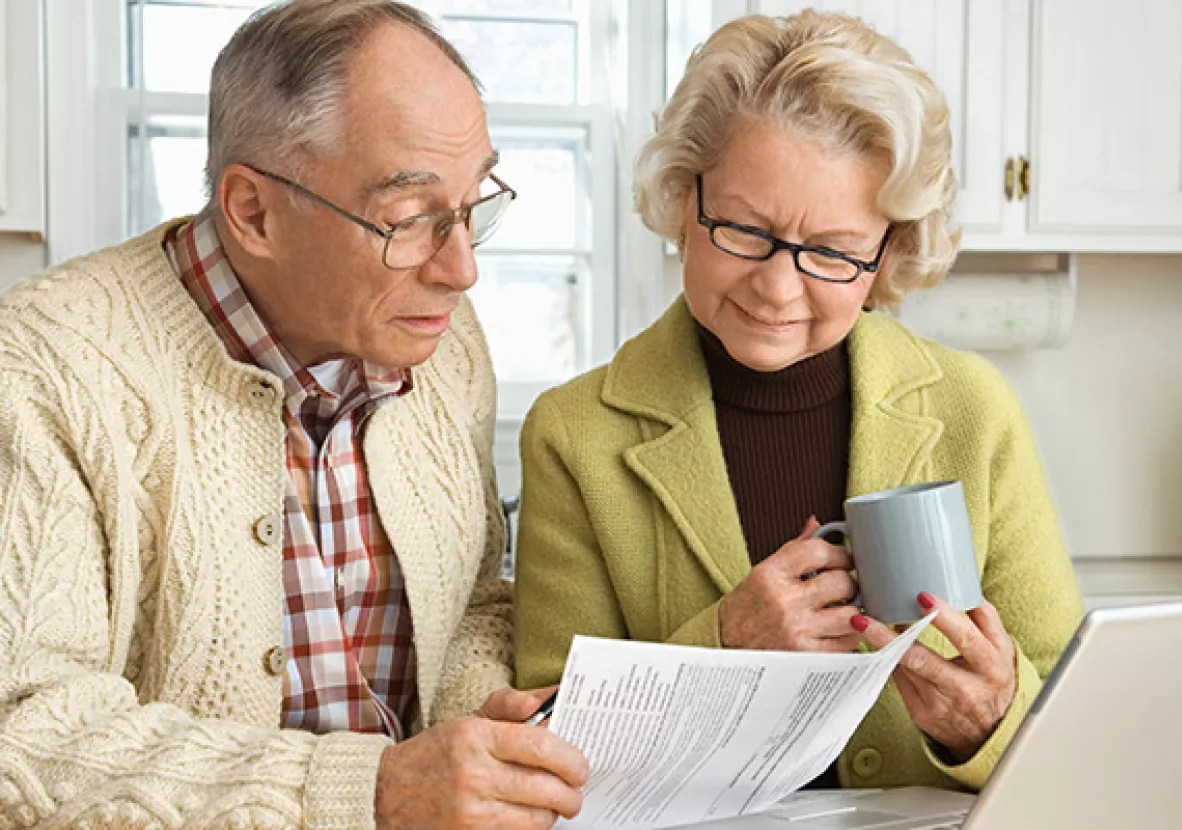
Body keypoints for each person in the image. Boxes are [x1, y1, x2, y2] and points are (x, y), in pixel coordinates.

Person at [0, 2, 587, 827]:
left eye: (473, 204)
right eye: (412, 219)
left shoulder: (444, 345)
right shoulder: (43, 365)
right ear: (252, 212)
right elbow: (20, 737)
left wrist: (472, 732)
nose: (460, 269)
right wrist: (372, 792)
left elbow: (473, 605)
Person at [514, 9, 1084, 793]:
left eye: (832, 253)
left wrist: (989, 723)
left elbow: (1074, 721)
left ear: (888, 253)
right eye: (744, 231)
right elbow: (544, 745)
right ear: (684, 196)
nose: (777, 288)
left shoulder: (972, 409)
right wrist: (725, 645)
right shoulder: (574, 435)